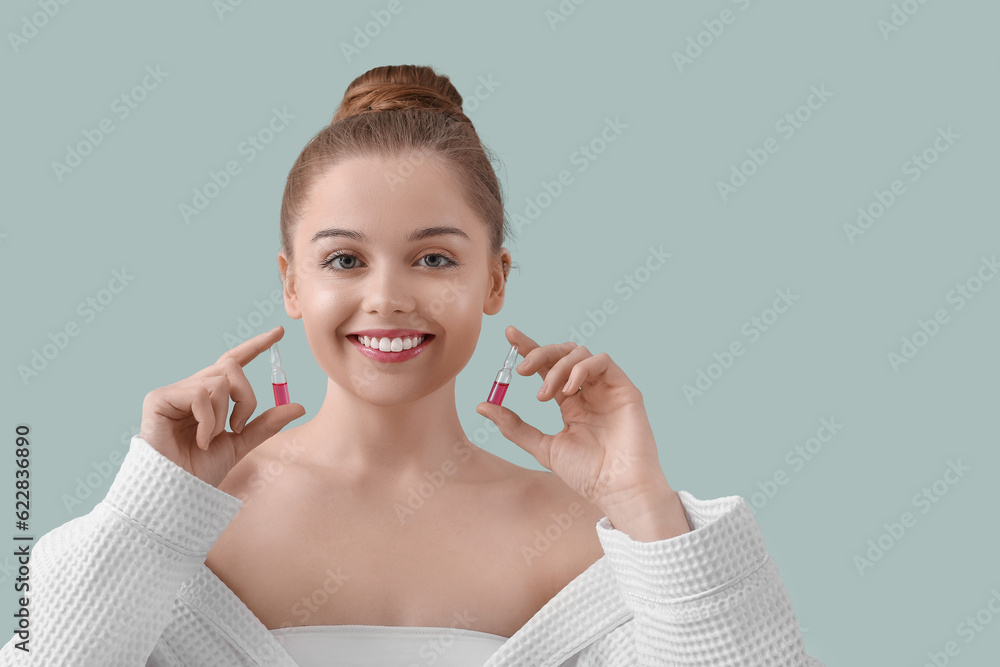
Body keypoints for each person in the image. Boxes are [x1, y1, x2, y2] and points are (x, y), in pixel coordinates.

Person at [0, 64, 825, 666]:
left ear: (494, 279)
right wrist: (147, 509)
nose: (388, 298)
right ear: (291, 281)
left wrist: (645, 507)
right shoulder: (182, 530)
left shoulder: (586, 538)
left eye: (433, 259)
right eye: (345, 260)